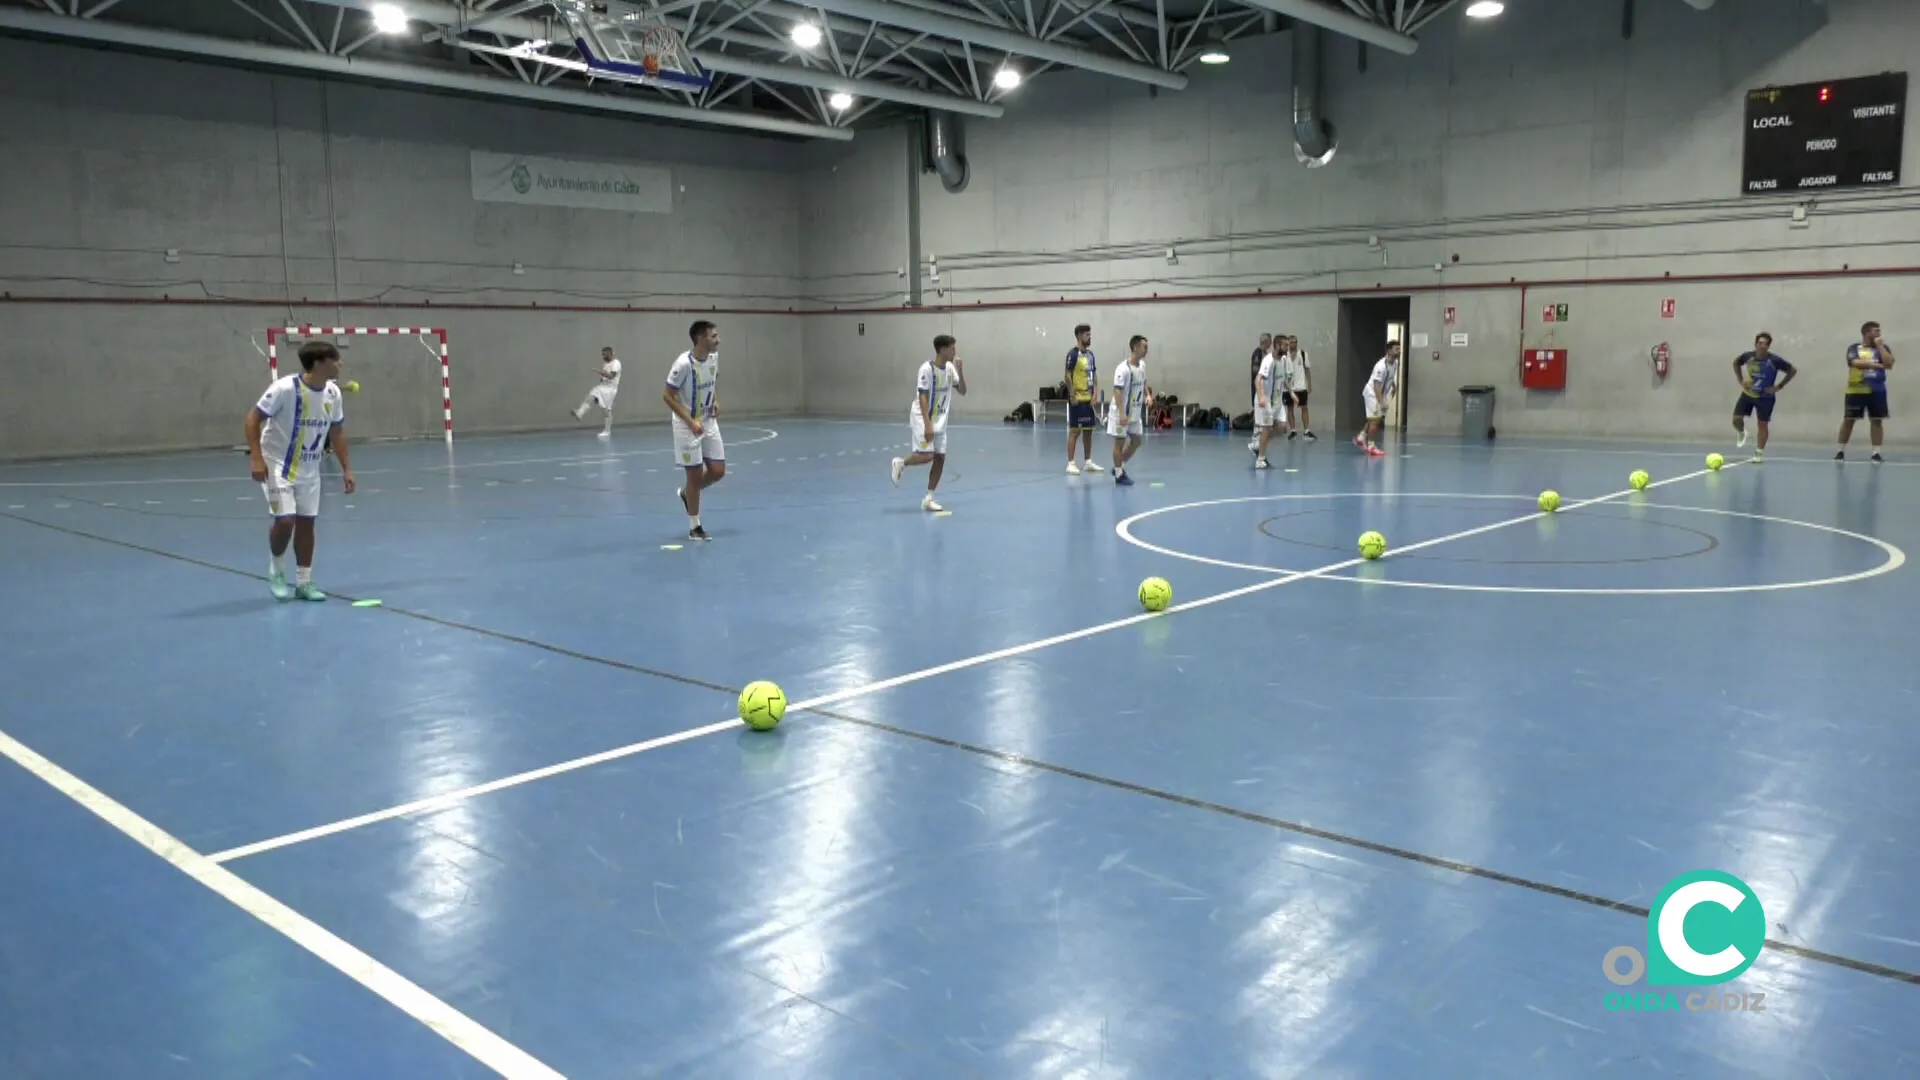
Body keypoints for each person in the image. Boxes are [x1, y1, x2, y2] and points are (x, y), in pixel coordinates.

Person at [245, 340, 354, 601]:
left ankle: (304, 582)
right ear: (319, 363)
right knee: (285, 521)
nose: (340, 364)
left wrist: (347, 469)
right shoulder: (284, 388)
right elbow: (252, 420)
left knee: (307, 523)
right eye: (335, 359)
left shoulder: (333, 394)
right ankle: (277, 568)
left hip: (310, 467)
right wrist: (257, 459)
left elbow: (337, 432)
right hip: (277, 463)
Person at [891, 334, 968, 511]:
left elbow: (963, 391)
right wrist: (927, 424)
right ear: (942, 350)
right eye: (952, 348)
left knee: (940, 458)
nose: (955, 351)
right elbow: (923, 396)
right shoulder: (926, 369)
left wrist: (961, 371)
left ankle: (929, 499)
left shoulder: (950, 369)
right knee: (927, 456)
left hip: (941, 420)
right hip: (922, 416)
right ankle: (900, 463)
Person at [664, 320, 724, 540]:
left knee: (718, 471)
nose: (718, 340)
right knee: (695, 474)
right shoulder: (683, 364)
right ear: (701, 338)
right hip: (686, 424)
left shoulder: (714, 358)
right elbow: (667, 396)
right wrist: (690, 422)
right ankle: (695, 527)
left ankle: (687, 493)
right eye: (714, 336)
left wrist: (715, 400)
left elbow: (711, 382)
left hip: (708, 421)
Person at [1731, 331, 1795, 460]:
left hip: (1765, 397)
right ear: (1755, 344)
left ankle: (1758, 453)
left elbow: (1792, 370)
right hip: (1748, 394)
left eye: (1765, 344)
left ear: (1768, 346)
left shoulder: (1774, 360)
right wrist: (1741, 380)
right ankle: (1742, 432)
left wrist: (1779, 386)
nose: (1762, 346)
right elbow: (1736, 363)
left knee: (1762, 424)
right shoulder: (1748, 356)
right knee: (1736, 419)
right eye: (1760, 343)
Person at [1838, 320, 1894, 462]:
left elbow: (1889, 363)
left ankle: (1876, 453)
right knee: (1849, 420)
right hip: (1856, 389)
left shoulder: (1883, 348)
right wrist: (1877, 365)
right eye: (1876, 331)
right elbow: (1855, 362)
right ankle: (1840, 451)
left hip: (1877, 390)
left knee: (1876, 421)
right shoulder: (1854, 348)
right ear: (1867, 332)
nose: (1879, 333)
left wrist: (1881, 347)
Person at [1108, 335, 1151, 484]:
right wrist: (1121, 413)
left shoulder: (1142, 365)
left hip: (1135, 413)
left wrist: (1148, 395)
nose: (1146, 350)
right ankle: (1119, 475)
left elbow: (1144, 381)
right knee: (1119, 443)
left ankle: (1119, 465)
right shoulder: (1123, 369)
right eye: (1144, 347)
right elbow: (1117, 391)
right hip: (1122, 413)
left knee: (1136, 441)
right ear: (1135, 348)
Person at [1064, 324, 1103, 475]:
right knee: (1075, 431)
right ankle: (1071, 463)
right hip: (1078, 398)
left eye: (1090, 334)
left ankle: (1088, 461)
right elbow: (1067, 375)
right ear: (1079, 336)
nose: (1089, 337)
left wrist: (1095, 393)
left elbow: (1094, 374)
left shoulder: (1091, 355)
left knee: (1088, 431)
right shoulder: (1073, 355)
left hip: (1089, 398)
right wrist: (1072, 395)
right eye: (1087, 334)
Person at [1354, 340, 1398, 457]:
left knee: (1372, 419)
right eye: (1396, 349)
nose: (1398, 351)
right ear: (1389, 350)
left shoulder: (1395, 363)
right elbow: (1376, 386)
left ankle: (1361, 437)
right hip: (1372, 393)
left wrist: (1393, 385)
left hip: (1380, 392)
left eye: (1399, 348)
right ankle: (1371, 447)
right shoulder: (1380, 366)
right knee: (1376, 420)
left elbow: (1390, 376)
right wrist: (1381, 402)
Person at [571, 346, 622, 438]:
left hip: (610, 389)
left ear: (610, 354)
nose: (603, 356)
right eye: (602, 355)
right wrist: (597, 397)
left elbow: (611, 376)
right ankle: (580, 413)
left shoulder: (616, 363)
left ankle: (607, 431)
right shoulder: (605, 364)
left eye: (604, 354)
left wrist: (600, 372)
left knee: (606, 410)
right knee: (591, 395)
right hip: (603, 387)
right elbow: (603, 379)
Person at [1251, 343, 1286, 469]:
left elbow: (1284, 379)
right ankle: (1260, 459)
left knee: (1282, 427)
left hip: (1277, 400)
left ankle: (1257, 444)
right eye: (1285, 344)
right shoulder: (1268, 360)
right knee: (1266, 428)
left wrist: (1292, 393)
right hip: (1266, 399)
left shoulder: (1283, 360)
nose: (1287, 347)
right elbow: (1258, 379)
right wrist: (1261, 396)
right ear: (1277, 346)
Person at [1284, 335, 1315, 440]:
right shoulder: (1284, 356)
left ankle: (1306, 431)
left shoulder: (1302, 354)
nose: (1294, 344)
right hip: (1288, 388)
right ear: (1288, 344)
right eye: (1291, 342)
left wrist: (1309, 384)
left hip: (1301, 387)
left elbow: (1307, 370)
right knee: (1289, 409)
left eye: (1295, 342)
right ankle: (1293, 431)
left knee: (1304, 408)